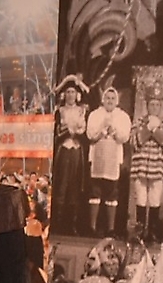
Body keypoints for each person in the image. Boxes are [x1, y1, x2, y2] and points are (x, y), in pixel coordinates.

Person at [86, 86, 132, 237]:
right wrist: (102, 128)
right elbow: (90, 135)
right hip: (97, 158)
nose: (110, 101)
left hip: (113, 160)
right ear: (103, 99)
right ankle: (92, 228)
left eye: (113, 98)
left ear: (117, 100)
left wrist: (114, 129)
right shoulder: (95, 115)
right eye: (107, 98)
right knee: (95, 192)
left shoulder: (122, 116)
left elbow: (125, 137)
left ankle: (110, 229)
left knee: (112, 193)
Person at [131, 84, 163, 242]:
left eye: (157, 104)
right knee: (141, 199)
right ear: (147, 105)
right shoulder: (140, 121)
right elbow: (134, 141)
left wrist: (155, 131)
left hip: (157, 168)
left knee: (155, 199)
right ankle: (140, 232)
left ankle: (153, 232)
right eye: (151, 104)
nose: (154, 107)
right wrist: (147, 129)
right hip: (141, 167)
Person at [51, 75, 90, 236]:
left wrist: (77, 131)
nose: (70, 95)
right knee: (61, 184)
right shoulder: (59, 111)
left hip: (76, 150)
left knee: (75, 185)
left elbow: (83, 131)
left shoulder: (82, 111)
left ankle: (72, 224)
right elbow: (57, 132)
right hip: (64, 149)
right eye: (68, 92)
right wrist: (67, 131)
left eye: (73, 92)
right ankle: (58, 223)